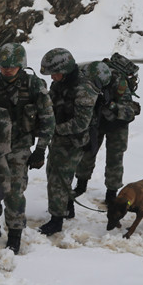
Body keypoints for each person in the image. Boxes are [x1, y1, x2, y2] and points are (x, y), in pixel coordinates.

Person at [0, 43, 55, 253]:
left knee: (14, 192)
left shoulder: (34, 86)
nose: (7, 69)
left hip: (19, 147)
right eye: (3, 65)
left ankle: (15, 234)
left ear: (21, 65)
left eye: (11, 66)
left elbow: (48, 120)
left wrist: (40, 150)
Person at [37, 49, 103, 235]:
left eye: (55, 73)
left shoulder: (84, 89)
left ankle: (56, 220)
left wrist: (53, 129)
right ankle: (67, 207)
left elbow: (81, 123)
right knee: (55, 174)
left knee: (58, 179)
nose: (53, 77)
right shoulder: (61, 83)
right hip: (59, 139)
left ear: (65, 70)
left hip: (73, 142)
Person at [73, 59, 138, 206]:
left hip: (118, 124)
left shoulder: (118, 83)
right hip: (98, 120)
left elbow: (129, 112)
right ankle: (81, 185)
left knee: (115, 157)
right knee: (88, 151)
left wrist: (112, 105)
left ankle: (111, 193)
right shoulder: (88, 79)